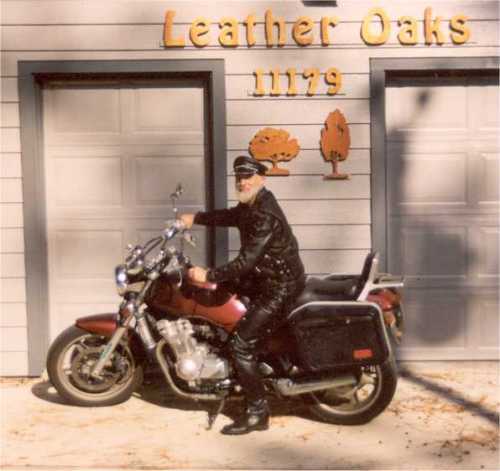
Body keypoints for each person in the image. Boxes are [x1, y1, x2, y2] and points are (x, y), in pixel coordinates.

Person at [180, 155, 305, 435]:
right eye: (239, 178)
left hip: (279, 285)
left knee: (242, 345)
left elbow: (245, 263)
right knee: (224, 301)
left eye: (248, 177)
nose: (242, 181)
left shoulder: (264, 214)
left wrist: (208, 275)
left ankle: (257, 413)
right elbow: (229, 216)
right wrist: (196, 218)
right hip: (267, 278)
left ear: (262, 178)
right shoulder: (253, 204)